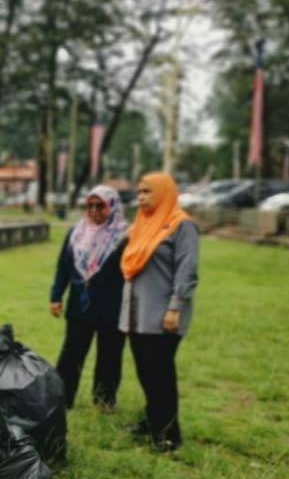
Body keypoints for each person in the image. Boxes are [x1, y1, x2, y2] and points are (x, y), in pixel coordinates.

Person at [120, 172, 200, 452]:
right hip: (137, 313)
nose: (140, 197)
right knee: (145, 372)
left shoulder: (182, 226)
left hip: (164, 315)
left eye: (146, 192)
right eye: (139, 192)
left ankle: (168, 434)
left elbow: (187, 270)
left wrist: (175, 308)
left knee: (161, 375)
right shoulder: (142, 225)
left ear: (164, 193)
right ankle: (153, 420)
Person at [50, 185, 128, 411]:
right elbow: (63, 268)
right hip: (80, 303)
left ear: (112, 207)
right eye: (90, 205)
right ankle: (63, 398)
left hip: (112, 305)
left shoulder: (124, 236)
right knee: (71, 352)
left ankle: (104, 400)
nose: (94, 211)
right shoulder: (76, 234)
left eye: (100, 206)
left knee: (110, 355)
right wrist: (56, 297)